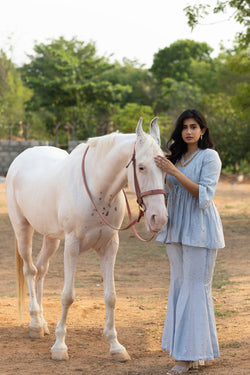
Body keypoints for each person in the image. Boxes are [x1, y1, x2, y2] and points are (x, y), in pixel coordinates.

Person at [154, 109, 225, 375]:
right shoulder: (176, 156)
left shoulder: (210, 157)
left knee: (195, 288)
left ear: (203, 130)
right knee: (180, 286)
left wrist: (173, 170)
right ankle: (191, 352)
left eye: (194, 126)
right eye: (184, 127)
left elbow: (203, 193)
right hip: (176, 227)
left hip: (200, 228)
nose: (188, 131)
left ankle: (187, 357)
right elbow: (167, 193)